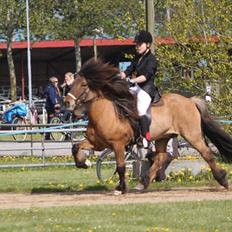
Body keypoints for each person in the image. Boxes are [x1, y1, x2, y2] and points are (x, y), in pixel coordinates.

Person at [120, 30, 158, 148]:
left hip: (147, 89)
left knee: (140, 110)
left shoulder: (151, 59)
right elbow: (129, 70)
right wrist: (121, 75)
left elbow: (145, 77)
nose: (137, 47)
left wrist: (131, 80)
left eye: (139, 44)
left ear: (147, 45)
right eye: (136, 44)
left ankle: (145, 138)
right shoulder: (138, 57)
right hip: (137, 87)